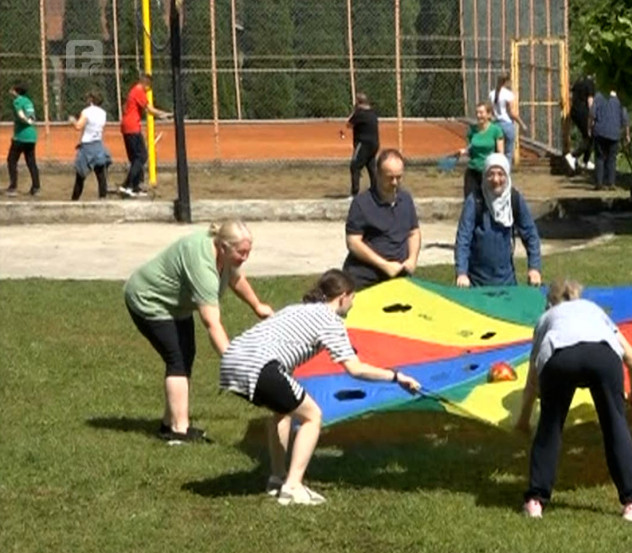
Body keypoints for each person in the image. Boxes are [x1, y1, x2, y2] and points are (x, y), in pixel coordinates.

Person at [220, 269, 422, 505]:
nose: (353, 303)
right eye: (353, 298)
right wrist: (397, 377)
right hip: (259, 366)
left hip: (232, 360)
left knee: (283, 410)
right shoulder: (331, 321)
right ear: (343, 296)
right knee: (312, 416)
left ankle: (277, 478)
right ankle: (293, 486)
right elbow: (355, 369)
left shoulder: (295, 309)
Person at [124, 219, 273, 444]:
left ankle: (169, 423)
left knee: (185, 356)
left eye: (248, 252)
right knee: (177, 358)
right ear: (223, 247)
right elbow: (212, 323)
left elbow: (236, 278)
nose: (245, 258)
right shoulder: (203, 265)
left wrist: (257, 305)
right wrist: (233, 361)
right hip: (149, 301)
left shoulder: (224, 254)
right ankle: (178, 430)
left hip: (177, 305)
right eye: (241, 253)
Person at [516, 279, 632, 522]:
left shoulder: (547, 318)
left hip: (559, 358)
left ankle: (535, 501)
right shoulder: (594, 310)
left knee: (550, 426)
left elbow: (532, 381)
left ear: (550, 303)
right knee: (614, 425)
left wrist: (523, 420)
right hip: (603, 356)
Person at [454, 153, 542, 287]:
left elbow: (531, 235)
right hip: (476, 284)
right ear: (484, 176)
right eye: (491, 174)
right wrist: (461, 273)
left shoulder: (514, 199)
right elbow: (463, 239)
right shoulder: (475, 201)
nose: (496, 180)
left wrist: (534, 268)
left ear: (507, 176)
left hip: (507, 283)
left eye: (500, 174)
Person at [343, 148, 421, 290]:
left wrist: (412, 260)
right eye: (390, 177)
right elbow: (353, 243)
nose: (395, 182)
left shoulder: (406, 199)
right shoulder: (361, 203)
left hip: (399, 277)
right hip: (366, 280)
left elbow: (413, 232)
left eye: (399, 177)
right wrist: (384, 265)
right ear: (378, 175)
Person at [119, 73, 171, 198]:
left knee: (136, 158)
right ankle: (128, 186)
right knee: (142, 156)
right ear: (146, 83)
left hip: (127, 127)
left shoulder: (133, 91)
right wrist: (164, 114)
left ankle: (134, 186)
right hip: (132, 128)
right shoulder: (138, 91)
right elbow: (149, 109)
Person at [68, 91, 112, 201]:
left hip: (87, 146)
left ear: (91, 100)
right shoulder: (103, 113)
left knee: (80, 176)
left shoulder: (86, 111)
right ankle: (103, 197)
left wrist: (72, 120)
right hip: (98, 144)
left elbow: (79, 126)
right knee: (100, 174)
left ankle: (74, 199)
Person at [454, 102, 504, 197]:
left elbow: (500, 154)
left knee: (487, 200)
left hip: (488, 172)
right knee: (470, 201)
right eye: (477, 113)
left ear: (489, 114)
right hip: (473, 169)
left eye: (481, 113)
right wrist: (464, 152)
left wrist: (497, 173)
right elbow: (470, 150)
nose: (478, 115)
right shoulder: (472, 130)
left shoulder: (496, 130)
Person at [590, 89, 630, 190]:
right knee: (612, 159)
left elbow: (592, 114)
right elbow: (625, 118)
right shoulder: (619, 99)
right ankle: (611, 183)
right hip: (614, 133)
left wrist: (589, 128)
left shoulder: (598, 97)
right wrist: (627, 134)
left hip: (600, 132)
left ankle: (599, 182)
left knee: (599, 157)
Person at [6, 83, 40, 197]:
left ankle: (13, 187)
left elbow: (20, 115)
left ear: (16, 91)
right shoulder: (28, 101)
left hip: (21, 136)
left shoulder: (17, 101)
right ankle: (36, 187)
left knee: (11, 160)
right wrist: (31, 122)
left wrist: (26, 121)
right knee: (31, 162)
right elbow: (33, 116)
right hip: (32, 136)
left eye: (13, 90)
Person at [346, 92, 379, 197]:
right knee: (371, 166)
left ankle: (355, 193)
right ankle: (376, 190)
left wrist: (354, 111)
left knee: (354, 166)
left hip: (363, 143)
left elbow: (348, 125)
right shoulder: (372, 112)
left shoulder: (359, 114)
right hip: (374, 143)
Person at [490, 73, 527, 163]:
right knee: (508, 153)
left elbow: (491, 112)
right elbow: (512, 113)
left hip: (495, 123)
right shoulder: (508, 94)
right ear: (507, 82)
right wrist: (522, 124)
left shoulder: (491, 94)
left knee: (497, 152)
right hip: (506, 124)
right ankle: (505, 174)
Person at [564, 73, 595, 172]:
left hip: (574, 111)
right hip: (583, 112)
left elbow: (571, 95)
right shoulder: (590, 83)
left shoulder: (578, 82)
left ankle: (585, 161)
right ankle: (572, 156)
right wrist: (593, 116)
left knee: (588, 136)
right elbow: (590, 101)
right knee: (590, 136)